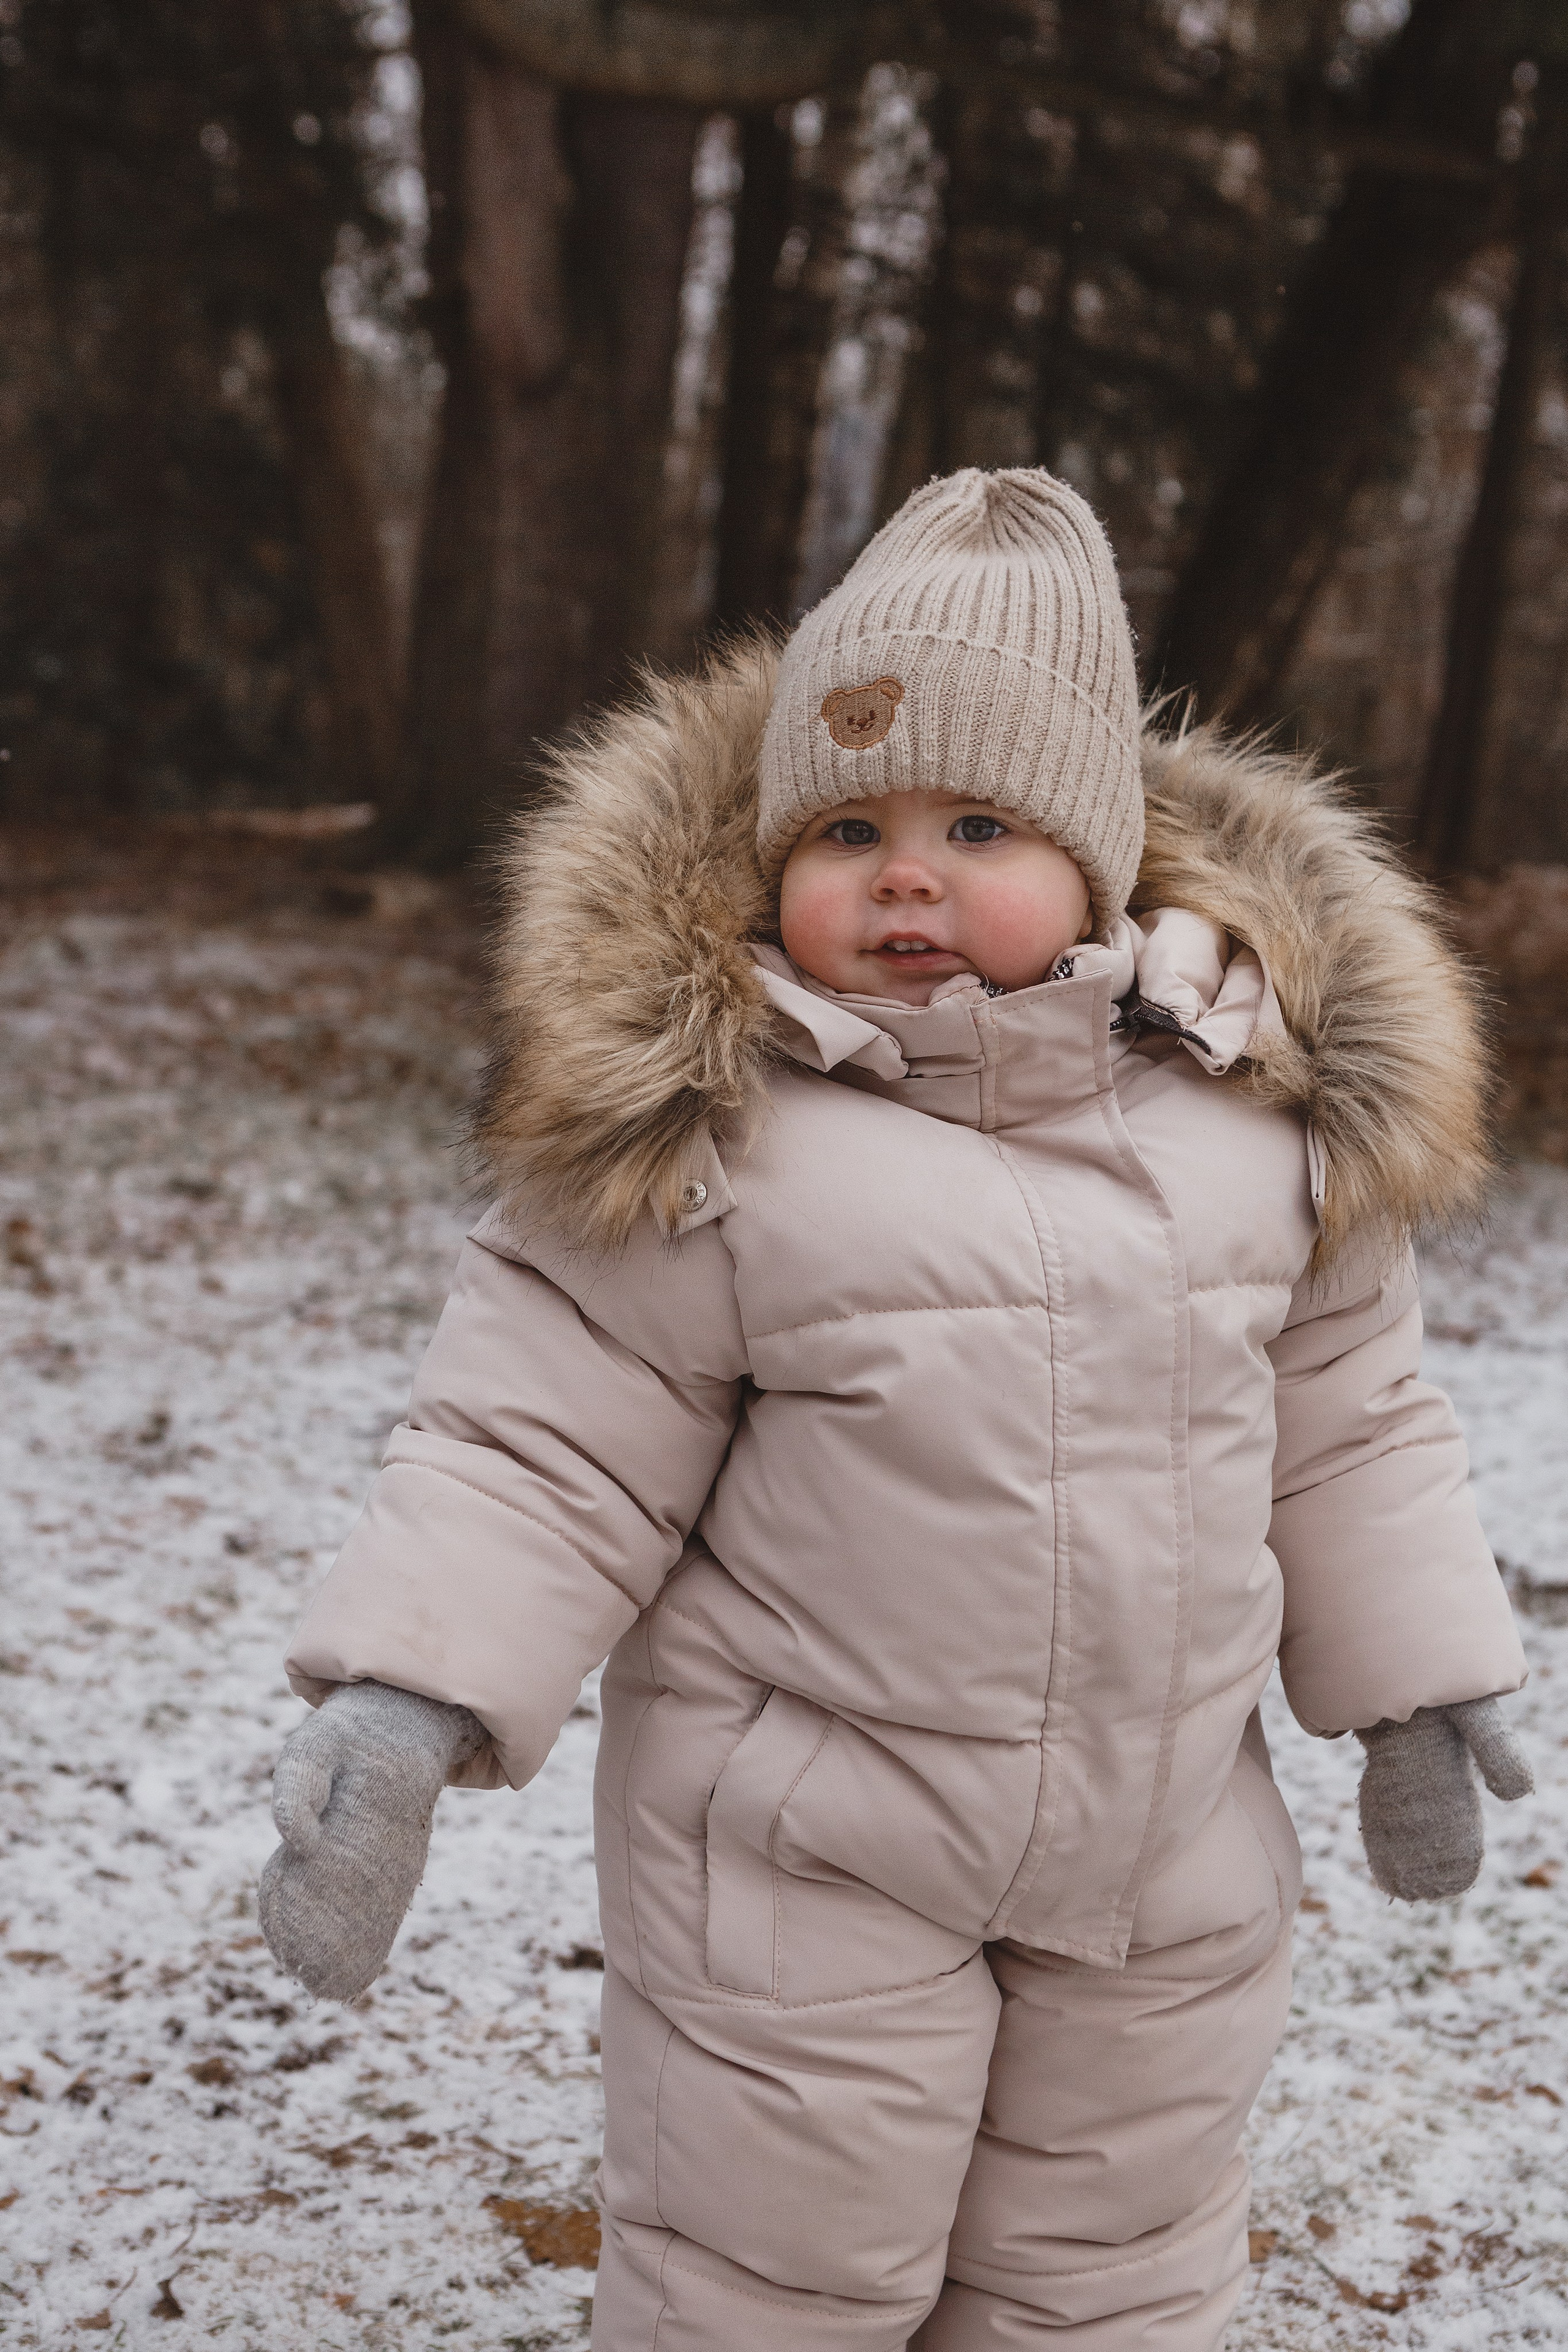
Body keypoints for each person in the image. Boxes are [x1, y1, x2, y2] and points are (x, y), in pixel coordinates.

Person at [260, 468, 1531, 2351]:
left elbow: (1352, 1424)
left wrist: (1415, 1685)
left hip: (1169, 1859)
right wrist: (408, 1696)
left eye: (979, 822)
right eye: (846, 823)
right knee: (773, 2290)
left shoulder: (1254, 1117)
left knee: (1107, 2289)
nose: (904, 872)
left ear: (1102, 861)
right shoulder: (725, 1140)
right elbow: (540, 1442)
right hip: (800, 1875)